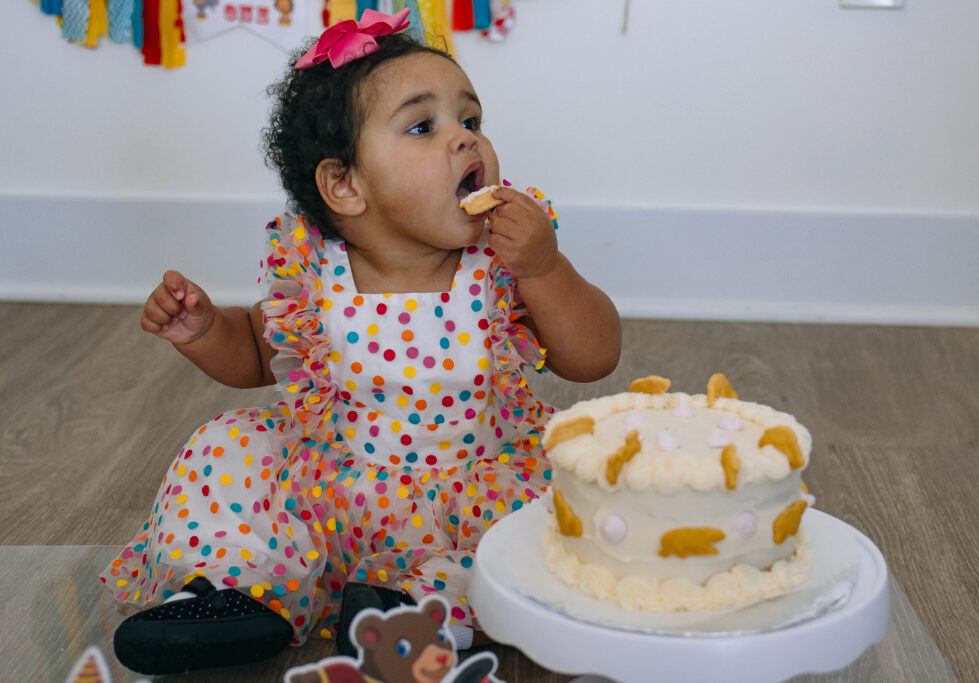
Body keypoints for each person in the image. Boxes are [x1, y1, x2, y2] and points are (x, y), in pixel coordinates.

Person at [102, 8, 621, 675]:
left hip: (474, 488)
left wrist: (547, 271)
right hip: (336, 496)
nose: (466, 141)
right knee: (228, 444)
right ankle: (235, 586)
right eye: (423, 126)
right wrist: (206, 331)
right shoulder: (317, 278)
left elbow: (594, 355)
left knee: (574, 493)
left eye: (471, 120)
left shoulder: (500, 265)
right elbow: (260, 353)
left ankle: (409, 604)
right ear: (345, 185)